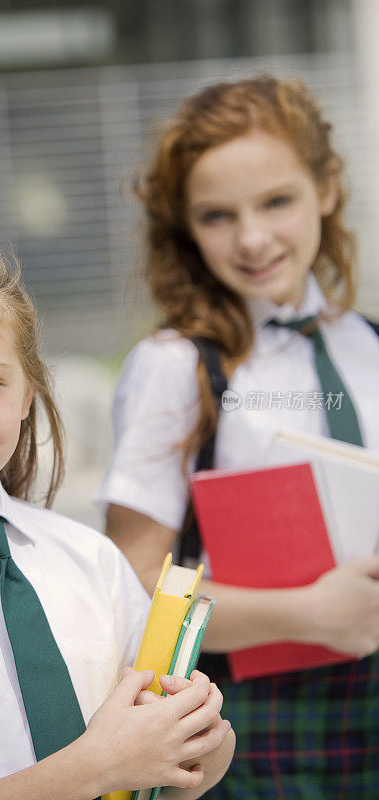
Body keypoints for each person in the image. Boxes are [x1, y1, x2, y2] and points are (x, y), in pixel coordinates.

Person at [0, 240, 236, 800]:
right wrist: (97, 767)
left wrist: (200, 744)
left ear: (28, 390)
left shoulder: (90, 557)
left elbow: (166, 775)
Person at [96, 76, 379, 798]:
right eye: (217, 215)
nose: (251, 238)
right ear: (186, 227)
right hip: (253, 724)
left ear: (325, 187)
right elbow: (132, 581)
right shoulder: (173, 365)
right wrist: (305, 614)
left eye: (276, 201)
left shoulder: (368, 343)